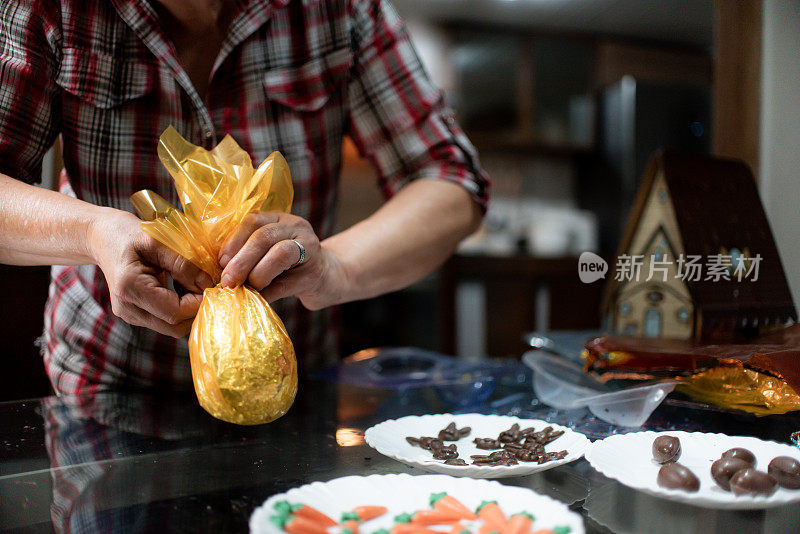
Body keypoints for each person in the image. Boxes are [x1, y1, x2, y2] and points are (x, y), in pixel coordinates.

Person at [0, 0, 489, 395]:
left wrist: (332, 267)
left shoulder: (340, 10)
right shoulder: (53, 8)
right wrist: (94, 232)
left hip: (287, 387)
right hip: (109, 386)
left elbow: (449, 180)